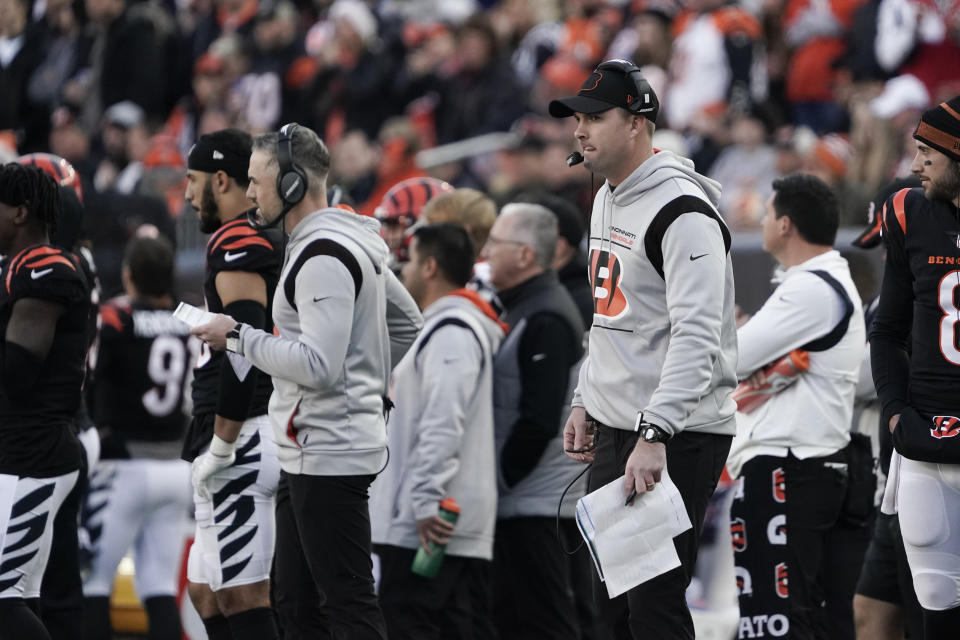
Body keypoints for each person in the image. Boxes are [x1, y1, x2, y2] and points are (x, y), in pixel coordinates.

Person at [191, 123, 421, 640]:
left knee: (345, 603)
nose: (249, 192)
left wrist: (239, 337)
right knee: (296, 602)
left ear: (293, 183)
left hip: (327, 450)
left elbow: (318, 365)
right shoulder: (339, 239)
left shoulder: (321, 253)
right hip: (316, 446)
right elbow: (406, 326)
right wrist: (363, 381)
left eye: (256, 180)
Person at [549, 59, 737, 640]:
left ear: (637, 123)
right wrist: (586, 398)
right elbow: (613, 320)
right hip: (618, 423)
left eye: (595, 117)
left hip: (673, 430)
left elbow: (697, 335)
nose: (580, 130)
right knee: (611, 600)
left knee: (653, 604)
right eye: (577, 117)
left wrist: (655, 433)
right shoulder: (608, 193)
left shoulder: (682, 211)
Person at [726, 174, 867, 639]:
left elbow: (732, 357)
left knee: (776, 620)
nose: (762, 222)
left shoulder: (810, 288)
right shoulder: (814, 283)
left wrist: (726, 335)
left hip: (790, 465)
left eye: (766, 214)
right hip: (803, 465)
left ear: (785, 225)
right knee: (801, 616)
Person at [371, 223, 506, 640]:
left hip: (433, 520)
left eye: (409, 261)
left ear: (429, 267)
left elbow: (444, 419)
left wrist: (427, 497)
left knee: (411, 622)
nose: (402, 271)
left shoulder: (452, 331)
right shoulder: (446, 326)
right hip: (434, 514)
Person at [182, 129, 283, 640]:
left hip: (245, 430)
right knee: (206, 592)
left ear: (221, 179)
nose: (185, 193)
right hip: (239, 426)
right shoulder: (240, 237)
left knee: (243, 594)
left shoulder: (238, 238)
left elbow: (245, 342)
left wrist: (223, 442)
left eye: (191, 181)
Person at [870, 96, 960, 639]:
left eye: (930, 151)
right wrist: (896, 411)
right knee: (935, 607)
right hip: (927, 436)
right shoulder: (907, 210)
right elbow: (887, 329)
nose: (917, 162)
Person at [481, 203, 587, 639]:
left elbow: (538, 420)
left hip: (538, 505)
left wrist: (497, 479)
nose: (485, 251)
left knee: (544, 620)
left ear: (525, 254)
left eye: (495, 243)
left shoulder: (544, 314)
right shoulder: (525, 305)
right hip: (525, 500)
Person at [81, 235, 193, 640]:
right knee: (159, 586)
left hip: (123, 465)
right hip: (175, 466)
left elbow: (89, 384)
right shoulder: (188, 323)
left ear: (128, 276)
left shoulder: (114, 321)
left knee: (94, 585)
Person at [0, 163, 91, 639]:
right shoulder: (17, 267)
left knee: (4, 600)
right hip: (19, 453)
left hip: (34, 454)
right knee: (20, 597)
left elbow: (17, 371)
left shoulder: (46, 268)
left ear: (19, 212)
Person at [850, 178, 924, 640]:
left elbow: (856, 375)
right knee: (870, 607)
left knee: (925, 614)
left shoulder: (928, 290)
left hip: (924, 467)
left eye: (888, 240)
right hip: (890, 474)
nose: (883, 253)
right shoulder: (889, 295)